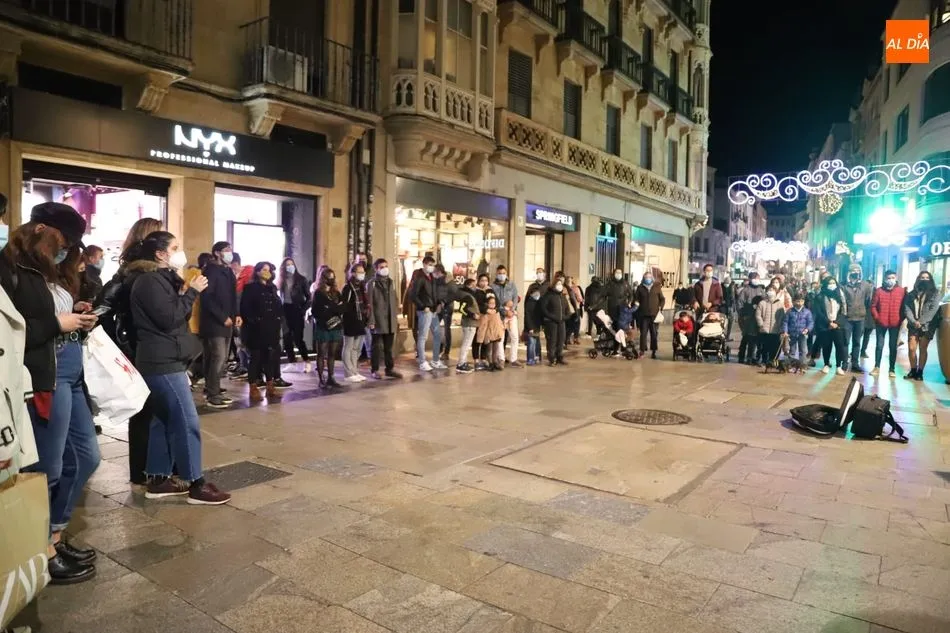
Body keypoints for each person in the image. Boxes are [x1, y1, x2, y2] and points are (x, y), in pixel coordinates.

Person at [0, 202, 104, 585]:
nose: (67, 252)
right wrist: (55, 322)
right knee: (49, 468)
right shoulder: (11, 267)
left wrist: (77, 312)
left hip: (71, 371)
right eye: (63, 243)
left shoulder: (49, 269)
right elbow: (10, 328)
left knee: (86, 458)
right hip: (45, 374)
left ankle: (55, 534)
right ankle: (40, 546)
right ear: (42, 231)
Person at [126, 231, 230, 506]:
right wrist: (192, 293)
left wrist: (184, 292)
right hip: (162, 362)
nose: (179, 252)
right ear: (160, 254)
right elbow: (168, 319)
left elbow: (174, 314)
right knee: (186, 422)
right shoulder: (148, 282)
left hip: (166, 358)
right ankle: (196, 483)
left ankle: (158, 480)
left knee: (164, 420)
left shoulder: (162, 279)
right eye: (174, 247)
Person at [94, 216, 163, 487]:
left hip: (145, 347)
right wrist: (122, 346)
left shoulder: (141, 272)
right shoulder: (133, 274)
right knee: (145, 410)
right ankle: (143, 471)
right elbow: (102, 309)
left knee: (150, 409)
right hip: (139, 349)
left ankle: (148, 469)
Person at [200, 241, 239, 408]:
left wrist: (236, 314)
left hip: (227, 321)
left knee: (217, 358)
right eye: (226, 250)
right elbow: (207, 299)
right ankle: (212, 394)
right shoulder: (211, 271)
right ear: (217, 253)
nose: (229, 253)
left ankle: (212, 387)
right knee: (218, 357)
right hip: (214, 323)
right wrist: (222, 317)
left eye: (230, 249)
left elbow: (233, 296)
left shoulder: (227, 271)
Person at [240, 262, 283, 401]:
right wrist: (254, 321)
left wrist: (278, 320)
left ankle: (270, 386)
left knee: (270, 357)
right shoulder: (250, 288)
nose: (267, 272)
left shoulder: (272, 287)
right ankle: (253, 387)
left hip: (272, 327)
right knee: (256, 357)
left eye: (269, 270)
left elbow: (277, 305)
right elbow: (245, 308)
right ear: (257, 272)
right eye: (264, 269)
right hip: (256, 329)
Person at [367, 258, 402, 380]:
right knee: (376, 346)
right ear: (376, 269)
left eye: (386, 266)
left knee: (388, 347)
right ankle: (374, 369)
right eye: (382, 267)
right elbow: (369, 303)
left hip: (390, 319)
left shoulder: (391, 282)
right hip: (378, 319)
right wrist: (371, 320)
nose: (385, 269)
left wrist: (396, 314)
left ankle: (389, 369)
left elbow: (395, 299)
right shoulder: (372, 283)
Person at [409, 256, 444, 371]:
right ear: (424, 264)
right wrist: (423, 306)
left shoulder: (432, 278)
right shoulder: (419, 278)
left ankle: (435, 360)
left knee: (437, 334)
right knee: (422, 336)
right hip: (425, 311)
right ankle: (422, 361)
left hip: (433, 310)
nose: (431, 267)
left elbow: (435, 293)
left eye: (432, 265)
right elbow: (413, 295)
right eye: (429, 264)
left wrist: (439, 303)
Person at [903, 270, 940, 381]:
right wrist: (914, 321)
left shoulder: (935, 293)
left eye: (927, 278)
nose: (924, 279)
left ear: (930, 280)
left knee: (923, 348)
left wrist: (921, 321)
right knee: (911, 348)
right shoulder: (911, 294)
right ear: (918, 279)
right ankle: (913, 370)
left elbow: (933, 309)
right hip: (913, 325)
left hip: (928, 326)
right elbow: (907, 308)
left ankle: (920, 372)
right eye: (922, 277)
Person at [311, 267, 344, 387]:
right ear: (323, 278)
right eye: (329, 277)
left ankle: (331, 377)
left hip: (335, 326)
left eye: (333, 277)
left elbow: (342, 307)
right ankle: (321, 379)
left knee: (332, 353)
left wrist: (330, 308)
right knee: (321, 353)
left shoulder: (336, 292)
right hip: (323, 326)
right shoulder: (318, 293)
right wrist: (332, 308)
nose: (331, 279)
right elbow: (316, 311)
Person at [278, 258, 312, 373]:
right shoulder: (281, 280)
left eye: (291, 264)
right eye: (287, 265)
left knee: (298, 338)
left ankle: (307, 361)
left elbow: (309, 297)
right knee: (287, 338)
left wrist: (303, 310)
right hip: (285, 310)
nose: (290, 266)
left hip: (297, 310)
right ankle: (291, 361)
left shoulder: (301, 279)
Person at [869, 270, 905, 378]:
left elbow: (904, 307)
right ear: (885, 278)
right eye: (888, 278)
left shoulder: (901, 291)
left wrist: (901, 318)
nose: (890, 280)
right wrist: (877, 317)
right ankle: (877, 367)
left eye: (893, 277)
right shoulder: (879, 291)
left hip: (895, 323)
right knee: (879, 345)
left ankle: (892, 369)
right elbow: (873, 306)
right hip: (881, 323)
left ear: (896, 278)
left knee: (893, 346)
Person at [812, 276, 848, 375]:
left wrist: (837, 323)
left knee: (839, 346)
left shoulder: (840, 296)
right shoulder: (820, 296)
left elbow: (844, 311)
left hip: (838, 325)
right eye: (829, 283)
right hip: (825, 325)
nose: (832, 285)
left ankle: (838, 366)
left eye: (833, 283)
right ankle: (826, 364)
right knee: (826, 346)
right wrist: (829, 322)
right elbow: (819, 312)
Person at [341, 262, 370, 382]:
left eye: (363, 272)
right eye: (359, 272)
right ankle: (348, 373)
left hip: (360, 320)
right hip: (350, 321)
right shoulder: (348, 287)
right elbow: (345, 305)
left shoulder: (362, 287)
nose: (362, 274)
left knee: (356, 348)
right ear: (353, 273)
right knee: (348, 346)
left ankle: (354, 370)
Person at [841, 264, 873, 373]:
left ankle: (855, 363)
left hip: (860, 318)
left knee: (857, 342)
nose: (855, 273)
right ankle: (844, 363)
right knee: (845, 341)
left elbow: (868, 301)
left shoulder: (865, 285)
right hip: (847, 318)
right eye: (853, 271)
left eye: (857, 271)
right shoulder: (844, 286)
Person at [491, 264, 521, 367]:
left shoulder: (511, 285)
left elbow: (515, 298)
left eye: (503, 273)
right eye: (500, 273)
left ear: (506, 273)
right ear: (496, 274)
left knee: (515, 337)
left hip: (512, 314)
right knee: (501, 338)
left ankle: (513, 359)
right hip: (500, 315)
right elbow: (494, 302)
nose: (502, 275)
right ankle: (501, 359)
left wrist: (512, 310)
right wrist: (504, 310)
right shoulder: (493, 286)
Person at [634, 271, 665, 358]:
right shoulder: (640, 288)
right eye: (646, 277)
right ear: (644, 278)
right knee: (643, 334)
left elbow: (662, 299)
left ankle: (654, 351)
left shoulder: (657, 287)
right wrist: (635, 304)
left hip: (654, 315)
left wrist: (660, 307)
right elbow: (636, 299)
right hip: (643, 315)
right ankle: (642, 350)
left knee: (654, 333)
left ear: (652, 278)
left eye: (649, 277)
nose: (648, 279)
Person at [736, 272, 765, 364]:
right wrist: (743, 315)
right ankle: (741, 356)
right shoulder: (745, 290)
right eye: (754, 278)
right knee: (746, 338)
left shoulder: (761, 290)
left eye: (757, 277)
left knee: (755, 339)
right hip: (748, 318)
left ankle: (752, 357)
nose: (756, 279)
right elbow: (739, 304)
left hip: (758, 318)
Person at [540, 276, 569, 366]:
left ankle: (559, 356)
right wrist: (553, 317)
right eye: (558, 284)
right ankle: (552, 358)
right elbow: (544, 309)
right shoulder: (548, 295)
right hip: (551, 322)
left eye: (561, 284)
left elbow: (567, 309)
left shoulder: (562, 297)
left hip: (561, 322)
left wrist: (565, 317)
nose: (560, 286)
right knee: (552, 341)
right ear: (553, 285)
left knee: (561, 340)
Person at [756, 282, 786, 365]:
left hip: (775, 330)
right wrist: (761, 325)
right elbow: (758, 315)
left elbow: (782, 316)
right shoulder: (762, 303)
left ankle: (772, 361)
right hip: (764, 330)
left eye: (772, 290)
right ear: (766, 292)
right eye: (769, 290)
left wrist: (779, 326)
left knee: (775, 347)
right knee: (764, 347)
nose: (771, 292)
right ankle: (764, 360)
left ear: (776, 292)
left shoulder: (779, 303)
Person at [475, 294, 506, 371]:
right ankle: (490, 363)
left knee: (495, 349)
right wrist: (482, 336)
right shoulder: (485, 313)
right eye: (490, 303)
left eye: (494, 303)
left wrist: (501, 330)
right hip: (488, 334)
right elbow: (483, 325)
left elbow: (499, 322)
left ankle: (495, 362)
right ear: (487, 304)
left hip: (496, 333)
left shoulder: (497, 312)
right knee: (489, 350)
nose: (492, 304)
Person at [783, 294, 813, 362]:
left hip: (802, 334)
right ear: (794, 302)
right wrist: (785, 331)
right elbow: (785, 322)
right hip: (792, 334)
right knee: (792, 351)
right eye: (798, 301)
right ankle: (790, 365)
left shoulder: (807, 312)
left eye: (802, 301)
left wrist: (807, 329)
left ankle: (802, 366)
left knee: (803, 351)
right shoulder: (789, 311)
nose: (800, 303)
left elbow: (810, 322)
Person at [523, 284, 542, 365]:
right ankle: (530, 359)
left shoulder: (538, 302)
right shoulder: (529, 303)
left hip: (537, 326)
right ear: (531, 294)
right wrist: (530, 327)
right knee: (531, 343)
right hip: (531, 327)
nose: (537, 294)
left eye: (538, 293)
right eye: (535, 293)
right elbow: (527, 316)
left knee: (537, 343)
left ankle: (537, 357)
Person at [721, 276, 736, 340]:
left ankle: (728, 336)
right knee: (722, 321)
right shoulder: (721, 287)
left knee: (730, 322)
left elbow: (735, 297)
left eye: (728, 282)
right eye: (725, 282)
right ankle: (722, 335)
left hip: (730, 307)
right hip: (723, 307)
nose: (726, 284)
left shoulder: (733, 287)